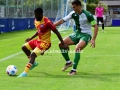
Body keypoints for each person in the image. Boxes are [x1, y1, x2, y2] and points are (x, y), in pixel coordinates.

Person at [17, 7, 68, 77]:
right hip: (38, 41)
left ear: (41, 14)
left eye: (36, 15)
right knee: (24, 47)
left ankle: (25, 73)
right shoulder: (36, 20)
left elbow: (57, 32)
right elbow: (39, 31)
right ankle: (34, 63)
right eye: (34, 15)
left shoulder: (48, 22)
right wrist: (31, 38)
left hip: (45, 43)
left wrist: (63, 43)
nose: (35, 16)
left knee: (33, 55)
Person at [54, 0, 98, 75]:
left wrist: (93, 39)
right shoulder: (73, 13)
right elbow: (62, 21)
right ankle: (68, 62)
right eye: (72, 7)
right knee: (61, 44)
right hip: (77, 33)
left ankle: (74, 70)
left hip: (86, 35)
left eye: (74, 7)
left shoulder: (87, 14)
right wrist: (52, 26)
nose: (73, 8)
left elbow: (96, 26)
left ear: (79, 6)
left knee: (77, 48)